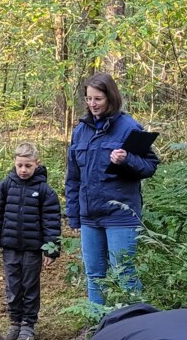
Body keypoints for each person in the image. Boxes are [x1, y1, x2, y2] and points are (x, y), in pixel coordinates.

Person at [65, 72, 159, 305]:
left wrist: (127, 159)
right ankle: (97, 322)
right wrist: (74, 214)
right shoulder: (80, 131)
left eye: (98, 99)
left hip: (121, 215)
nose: (93, 104)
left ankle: (135, 321)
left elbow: (149, 166)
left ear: (111, 97)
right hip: (90, 215)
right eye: (89, 99)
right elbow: (73, 177)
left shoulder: (128, 127)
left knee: (124, 273)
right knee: (94, 275)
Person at [0, 142, 62, 340]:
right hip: (10, 246)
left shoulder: (44, 191)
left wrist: (51, 250)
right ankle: (15, 322)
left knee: (30, 285)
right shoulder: (6, 186)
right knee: (13, 286)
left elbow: (51, 221)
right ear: (14, 163)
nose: (23, 170)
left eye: (28, 165)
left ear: (37, 164)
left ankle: (28, 324)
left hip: (32, 249)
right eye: (19, 165)